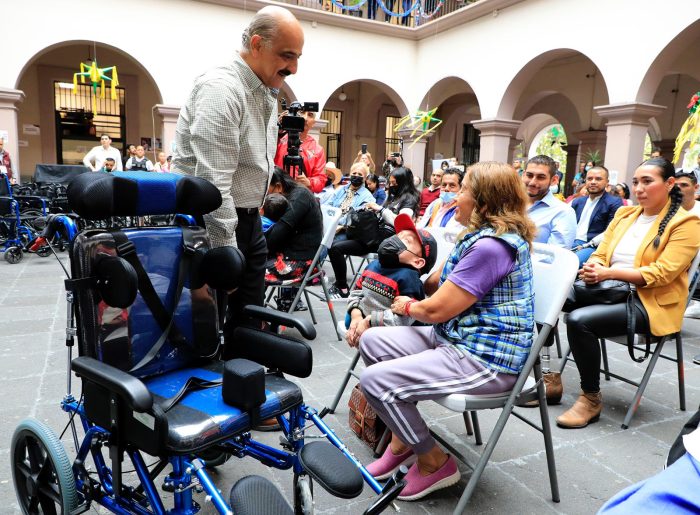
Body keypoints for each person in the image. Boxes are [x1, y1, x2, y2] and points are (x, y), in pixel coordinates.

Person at [359, 161, 536, 500]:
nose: (454, 197)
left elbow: (434, 308)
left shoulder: (492, 247)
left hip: (485, 360)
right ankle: (402, 443)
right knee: (372, 340)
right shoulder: (477, 237)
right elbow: (436, 286)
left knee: (375, 381)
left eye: (463, 190)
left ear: (483, 204)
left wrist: (406, 306)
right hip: (454, 336)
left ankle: (433, 461)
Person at [172, 5, 304, 354]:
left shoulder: (263, 90)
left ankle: (244, 397)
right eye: (287, 56)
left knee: (248, 324)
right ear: (257, 44)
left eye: (297, 57)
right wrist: (225, 252)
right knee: (204, 332)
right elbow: (213, 185)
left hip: (247, 223)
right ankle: (209, 401)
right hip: (208, 227)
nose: (294, 68)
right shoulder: (222, 89)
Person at [556, 158, 700, 429]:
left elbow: (661, 274)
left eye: (647, 181)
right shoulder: (624, 215)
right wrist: (595, 266)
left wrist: (608, 273)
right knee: (552, 298)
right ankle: (549, 376)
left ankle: (590, 397)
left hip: (650, 302)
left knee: (579, 320)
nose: (639, 188)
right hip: (608, 290)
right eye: (636, 182)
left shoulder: (686, 222)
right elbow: (600, 253)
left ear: (669, 184)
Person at [345, 214, 437, 347]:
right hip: (364, 317)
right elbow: (357, 293)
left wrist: (369, 322)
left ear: (417, 261)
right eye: (398, 236)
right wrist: (356, 316)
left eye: (407, 240)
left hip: (392, 331)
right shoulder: (373, 265)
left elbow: (406, 318)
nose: (395, 240)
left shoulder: (409, 278)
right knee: (349, 318)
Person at [264, 168, 322, 312]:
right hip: (290, 251)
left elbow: (276, 235)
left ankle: (253, 316)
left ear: (278, 186)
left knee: (252, 270)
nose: (265, 195)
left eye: (267, 190)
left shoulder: (299, 197)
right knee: (251, 261)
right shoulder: (290, 194)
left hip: (301, 261)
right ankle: (252, 313)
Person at [323, 162, 375, 299]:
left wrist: (339, 224)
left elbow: (357, 219)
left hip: (352, 232)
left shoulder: (367, 197)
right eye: (354, 174)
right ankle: (313, 274)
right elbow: (327, 206)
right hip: (332, 225)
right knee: (318, 239)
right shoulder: (341, 190)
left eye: (360, 175)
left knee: (331, 245)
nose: (356, 176)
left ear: (365, 178)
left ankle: (342, 287)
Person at [571, 165, 623, 266]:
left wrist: (588, 245)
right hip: (570, 242)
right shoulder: (577, 202)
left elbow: (611, 231)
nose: (593, 182)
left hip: (592, 246)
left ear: (607, 182)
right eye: (589, 178)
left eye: (598, 179)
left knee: (571, 263)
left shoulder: (614, 202)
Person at [523, 154, 577, 248]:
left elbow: (555, 255)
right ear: (523, 175)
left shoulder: (563, 212)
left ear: (554, 180)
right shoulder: (509, 204)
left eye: (541, 177)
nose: (532, 182)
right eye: (529, 175)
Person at [274, 110, 326, 193]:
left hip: (300, 196)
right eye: (302, 113)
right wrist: (276, 128)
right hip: (276, 194)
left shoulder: (317, 149)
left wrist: (309, 182)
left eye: (310, 115)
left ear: (314, 122)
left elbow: (321, 179)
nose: (305, 118)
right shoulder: (278, 139)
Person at [418, 167, 465, 236]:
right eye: (444, 185)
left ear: (461, 188)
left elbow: (449, 235)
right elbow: (421, 225)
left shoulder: (461, 208)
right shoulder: (435, 204)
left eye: (452, 185)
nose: (446, 189)